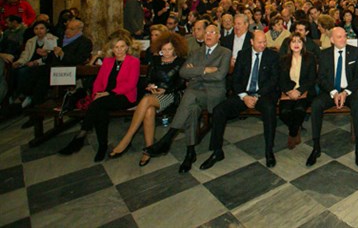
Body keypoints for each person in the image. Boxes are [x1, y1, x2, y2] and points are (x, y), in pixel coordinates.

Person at [145, 24, 231, 173]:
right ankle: (190, 152)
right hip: (195, 93)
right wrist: (205, 69)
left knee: (189, 95)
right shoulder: (196, 52)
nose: (208, 35)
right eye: (206, 32)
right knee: (191, 108)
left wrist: (195, 71)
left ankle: (168, 137)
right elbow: (183, 72)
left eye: (213, 32)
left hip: (213, 94)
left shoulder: (225, 52)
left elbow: (220, 75)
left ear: (219, 36)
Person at [201, 30, 280, 170]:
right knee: (219, 110)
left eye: (264, 42)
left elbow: (273, 81)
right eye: (259, 42)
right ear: (251, 42)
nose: (263, 45)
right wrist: (244, 96)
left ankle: (269, 150)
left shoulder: (272, 56)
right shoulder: (242, 55)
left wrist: (256, 96)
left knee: (269, 109)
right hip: (244, 94)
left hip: (263, 94)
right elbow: (235, 80)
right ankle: (217, 151)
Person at [59, 34, 140, 162]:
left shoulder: (133, 61)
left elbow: (131, 84)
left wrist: (109, 93)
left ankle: (81, 135)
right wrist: (97, 93)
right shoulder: (108, 62)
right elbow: (99, 81)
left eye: (122, 47)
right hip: (104, 97)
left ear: (127, 48)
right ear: (112, 49)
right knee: (99, 109)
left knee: (98, 105)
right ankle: (102, 146)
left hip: (124, 97)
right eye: (116, 47)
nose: (119, 50)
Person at [110, 31, 187, 165]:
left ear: (175, 48)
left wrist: (166, 90)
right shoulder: (156, 60)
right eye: (164, 49)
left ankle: (127, 139)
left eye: (170, 49)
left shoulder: (181, 62)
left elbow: (180, 83)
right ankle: (149, 149)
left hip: (172, 95)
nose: (167, 52)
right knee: (149, 110)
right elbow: (147, 79)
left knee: (146, 101)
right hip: (154, 94)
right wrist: (151, 86)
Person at [307, 27, 358, 167]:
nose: (344, 39)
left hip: (349, 90)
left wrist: (345, 93)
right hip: (330, 91)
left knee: (357, 105)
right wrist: (334, 92)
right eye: (339, 37)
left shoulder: (355, 52)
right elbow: (321, 78)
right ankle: (316, 147)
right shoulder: (324, 54)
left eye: (344, 36)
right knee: (316, 105)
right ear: (332, 40)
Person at [278, 34, 317, 149]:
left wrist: (299, 91)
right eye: (293, 42)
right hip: (288, 92)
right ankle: (295, 129)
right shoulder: (284, 59)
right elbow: (280, 79)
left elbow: (312, 79)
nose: (296, 44)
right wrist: (289, 91)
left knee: (299, 110)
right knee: (284, 112)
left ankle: (292, 134)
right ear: (289, 45)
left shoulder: (310, 57)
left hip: (305, 91)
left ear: (303, 44)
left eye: (299, 42)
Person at [13, 20, 58, 107]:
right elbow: (25, 54)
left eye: (42, 28)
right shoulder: (31, 41)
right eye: (36, 29)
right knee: (15, 70)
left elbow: (50, 56)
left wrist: (35, 62)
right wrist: (19, 62)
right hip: (29, 63)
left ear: (47, 30)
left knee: (24, 72)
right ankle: (15, 95)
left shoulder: (52, 39)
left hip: (43, 64)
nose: (39, 31)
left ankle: (26, 94)